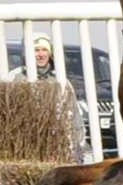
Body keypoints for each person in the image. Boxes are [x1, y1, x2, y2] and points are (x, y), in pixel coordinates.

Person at [8, 34, 91, 163]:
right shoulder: (17, 80)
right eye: (36, 50)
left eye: (44, 49)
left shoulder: (61, 81)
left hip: (59, 145)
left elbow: (75, 116)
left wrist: (78, 143)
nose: (41, 54)